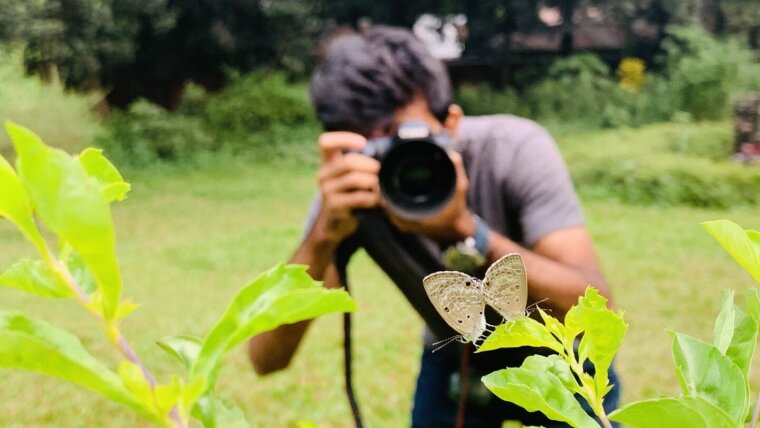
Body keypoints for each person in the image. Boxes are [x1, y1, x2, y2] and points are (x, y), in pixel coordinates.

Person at [248, 25, 619, 427]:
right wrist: (323, 235)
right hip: (454, 356)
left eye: (409, 142)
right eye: (374, 150)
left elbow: (593, 307)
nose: (395, 166)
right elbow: (266, 358)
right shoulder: (349, 199)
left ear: (452, 121)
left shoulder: (513, 150)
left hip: (561, 359)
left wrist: (466, 230)